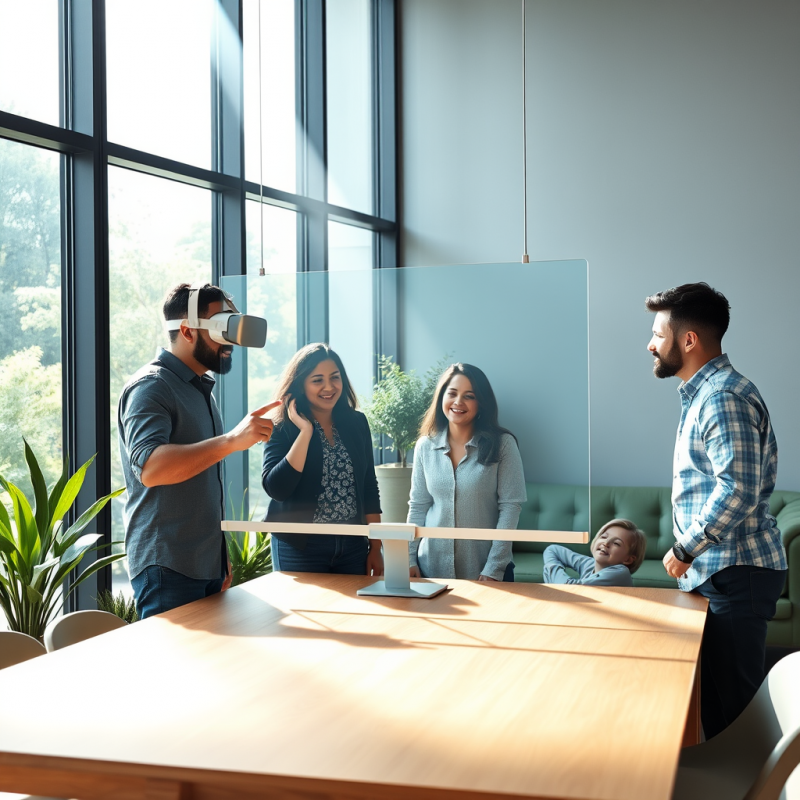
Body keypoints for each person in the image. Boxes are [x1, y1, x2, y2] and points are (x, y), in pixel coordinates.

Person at [646, 282, 787, 739]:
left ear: (688, 340)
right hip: (724, 572)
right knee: (714, 710)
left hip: (736, 573)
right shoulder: (705, 394)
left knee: (734, 722)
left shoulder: (721, 397)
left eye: (657, 333)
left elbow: (738, 490)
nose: (650, 344)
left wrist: (685, 547)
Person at [118, 283, 279, 618]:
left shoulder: (199, 390)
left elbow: (199, 484)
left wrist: (217, 558)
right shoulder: (151, 387)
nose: (231, 342)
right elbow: (151, 468)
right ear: (188, 331)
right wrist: (233, 441)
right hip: (167, 567)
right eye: (224, 328)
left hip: (203, 565)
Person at [262, 343, 383, 575]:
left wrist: (376, 546)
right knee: (304, 611)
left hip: (353, 545)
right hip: (299, 547)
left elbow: (369, 486)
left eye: (334, 377)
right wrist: (305, 432)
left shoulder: (357, 423)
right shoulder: (281, 427)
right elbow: (277, 489)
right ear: (301, 385)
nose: (329, 387)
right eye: (317, 380)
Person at [407, 363, 526, 581]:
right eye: (452, 393)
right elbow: (418, 506)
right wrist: (409, 559)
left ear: (481, 403)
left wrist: (493, 569)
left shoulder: (504, 445)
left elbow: (510, 508)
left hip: (486, 570)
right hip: (430, 569)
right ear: (442, 397)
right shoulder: (425, 446)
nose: (458, 402)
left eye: (469, 396)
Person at [543, 518, 646, 587]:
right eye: (604, 537)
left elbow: (569, 588)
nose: (606, 543)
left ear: (628, 559)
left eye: (616, 543)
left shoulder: (619, 573)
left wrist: (550, 569)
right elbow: (553, 549)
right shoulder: (590, 564)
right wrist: (553, 566)